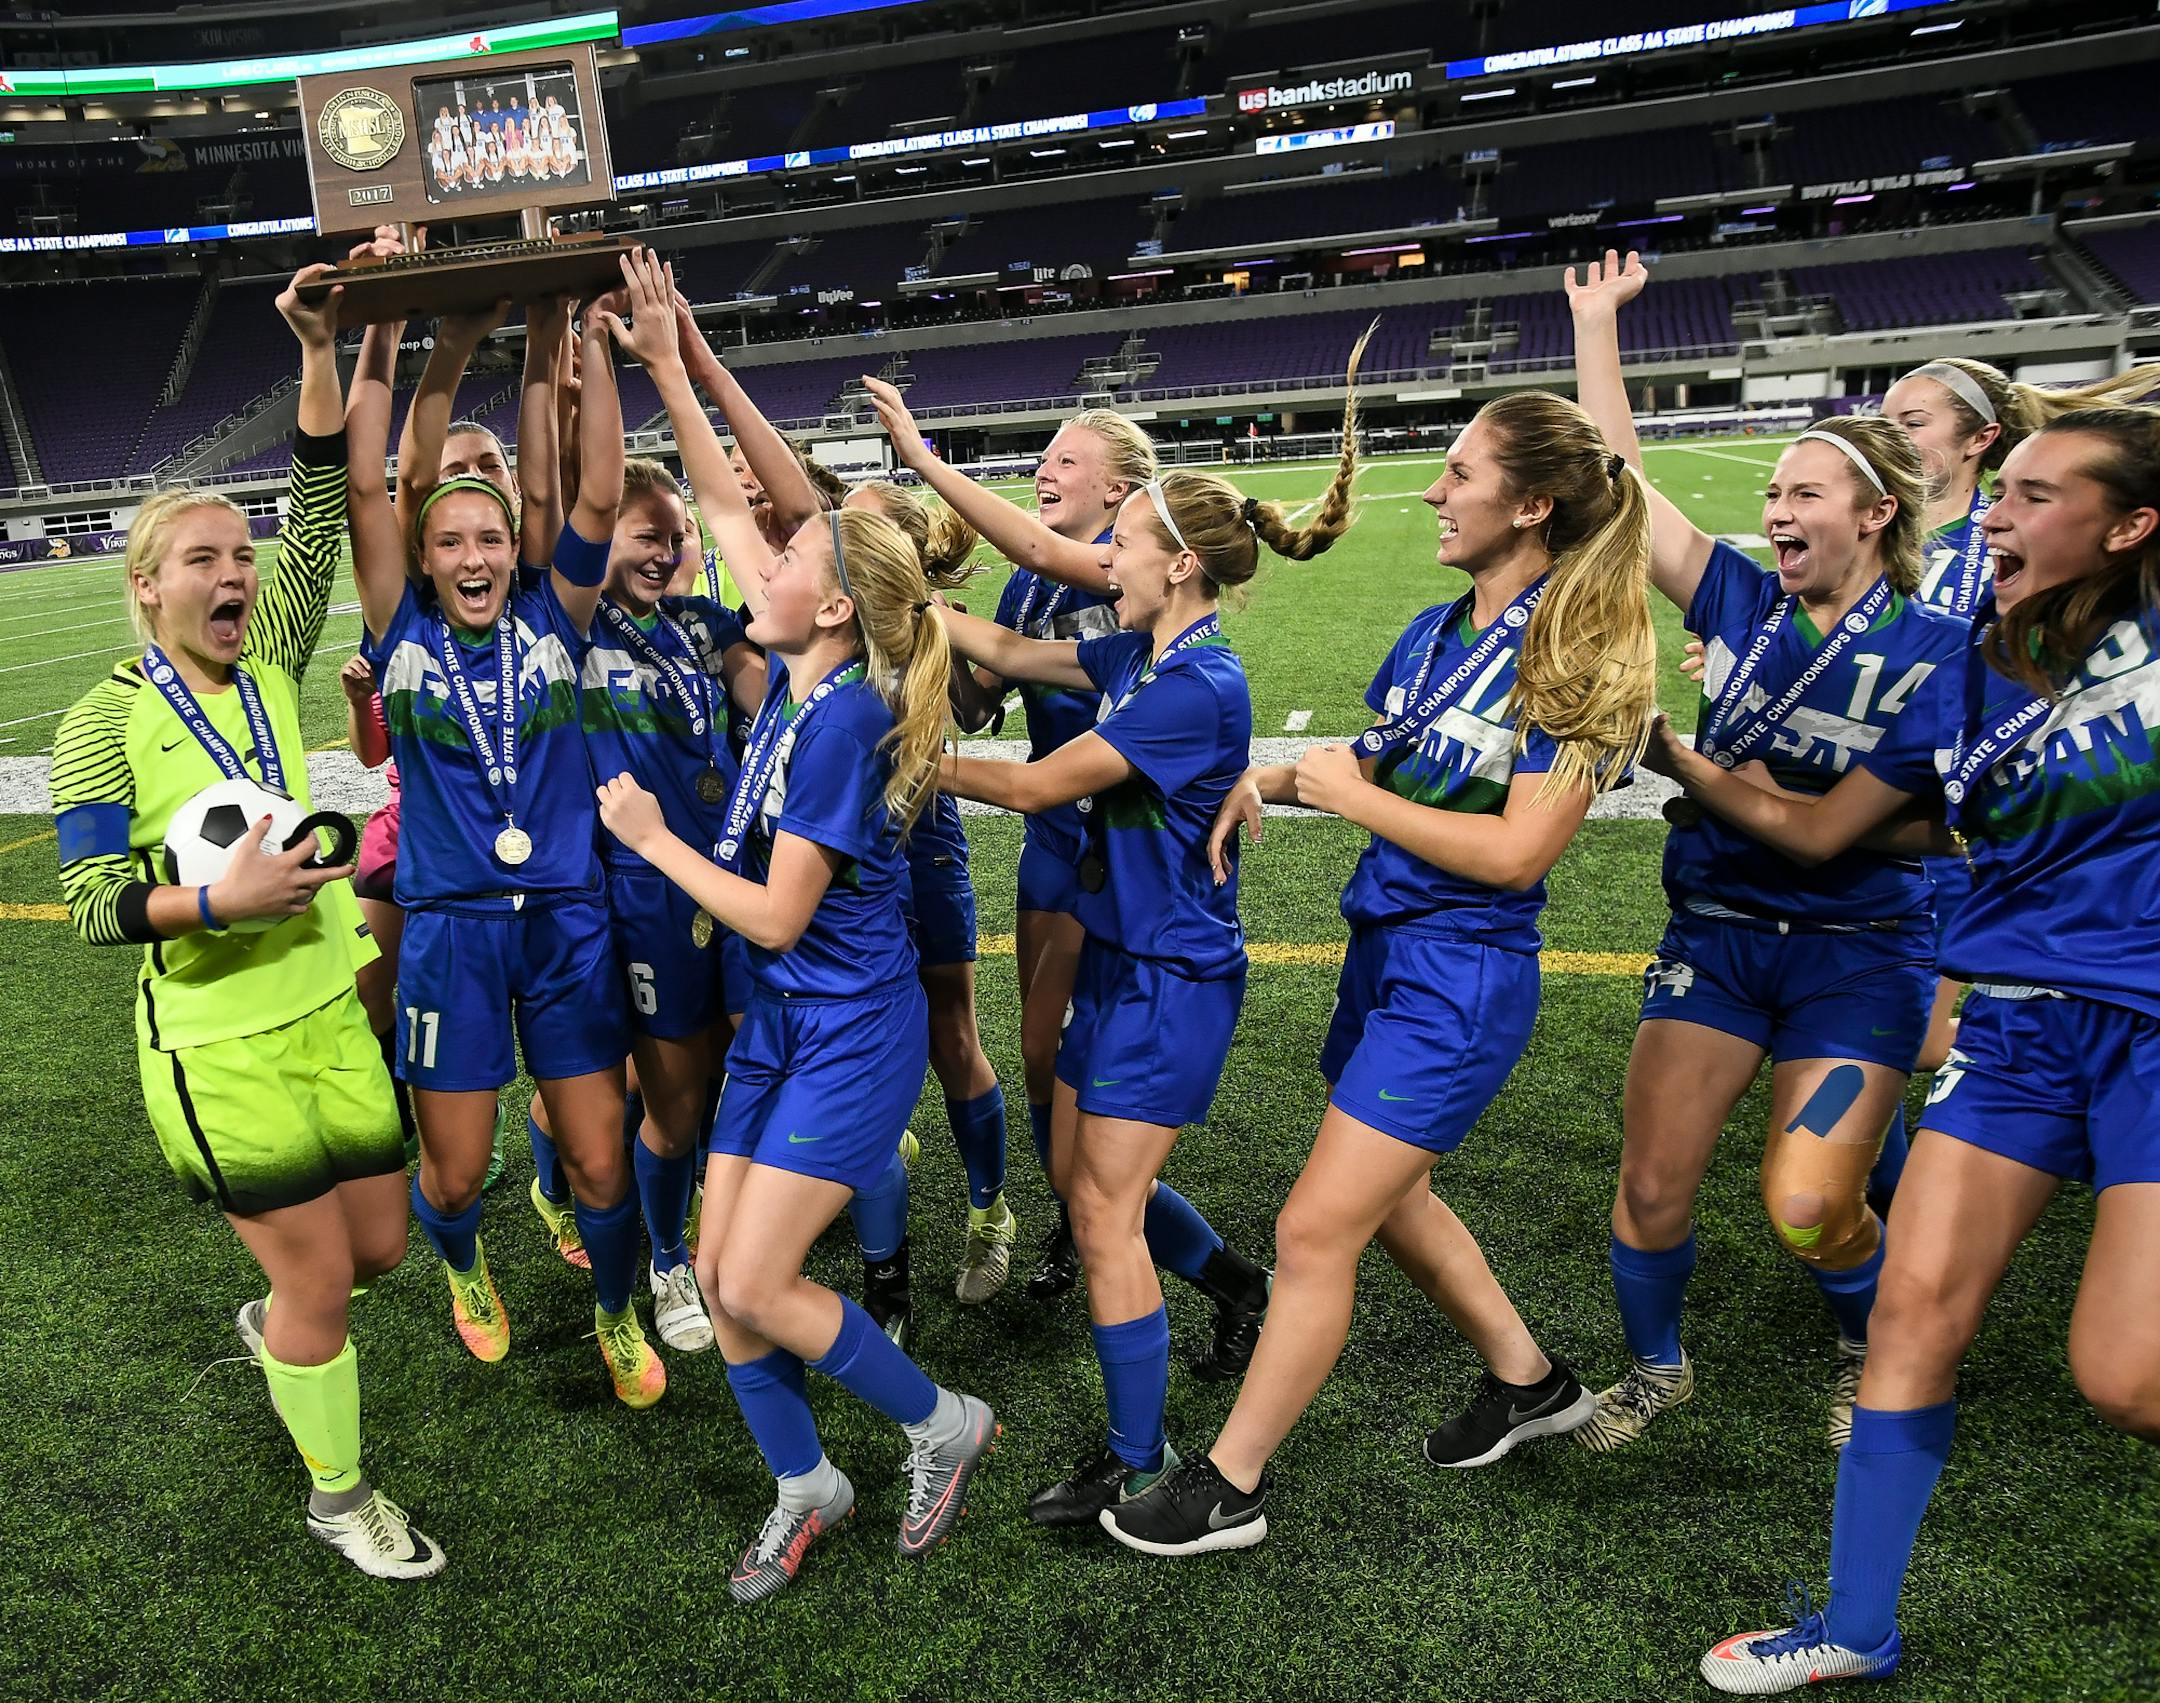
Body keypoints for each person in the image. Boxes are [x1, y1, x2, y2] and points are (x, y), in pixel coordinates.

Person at [1642, 408, 2160, 1692]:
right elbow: (1828, 830)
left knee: (2126, 1378)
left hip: (2153, 1024)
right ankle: (1856, 1625)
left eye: (2036, 496)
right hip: (2014, 1029)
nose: (1995, 513)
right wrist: (1681, 756)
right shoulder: (1970, 668)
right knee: (1911, 1321)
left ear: (2131, 526)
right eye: (2004, 492)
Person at [1105, 386, 1660, 1553]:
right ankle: (1531, 1381)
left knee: (1314, 1229)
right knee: (1388, 1193)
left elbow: (1517, 853)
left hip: (1460, 978)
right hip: (1385, 949)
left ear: (1534, 503)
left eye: (1459, 474)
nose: (1434, 491)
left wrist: (1351, 795)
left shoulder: (1582, 648)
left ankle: (1230, 1484)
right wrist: (1289, 776)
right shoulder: (1439, 627)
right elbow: (1379, 750)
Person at [877, 352, 1363, 1527]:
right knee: (1081, 1183)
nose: (1111, 562)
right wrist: (890, 583)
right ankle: (1218, 1305)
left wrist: (902, 761)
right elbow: (1015, 650)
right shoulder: (1137, 651)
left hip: (1170, 982)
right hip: (1119, 960)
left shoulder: (1197, 684)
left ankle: (1137, 1456)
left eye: (1128, 546)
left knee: (1101, 1208)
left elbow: (1044, 784)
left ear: (1175, 563)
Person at [594, 249, 997, 1601]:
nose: (745, 547)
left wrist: (652, 842)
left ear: (829, 602)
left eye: (780, 551)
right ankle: (803, 1480)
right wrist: (665, 362)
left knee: (757, 1284)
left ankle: (941, 1421)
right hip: (780, 1021)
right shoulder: (803, 669)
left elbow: (775, 906)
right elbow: (724, 490)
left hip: (846, 1032)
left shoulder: (838, 717)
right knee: (717, 1266)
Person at [49, 264, 441, 1577]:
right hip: (220, 1056)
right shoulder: (102, 721)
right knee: (325, 1285)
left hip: (329, 1016)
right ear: (147, 587)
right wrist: (218, 898)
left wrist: (320, 349)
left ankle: (283, 1311)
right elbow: (95, 905)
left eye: (240, 551)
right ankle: (342, 1498)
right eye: (202, 558)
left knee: (383, 1243)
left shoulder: (269, 656)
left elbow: (323, 499)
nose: (236, 570)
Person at [1567, 253, 1966, 1454]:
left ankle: (1870, 1343)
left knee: (1808, 1204)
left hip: (1862, 950)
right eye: (1776, 493)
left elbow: (1836, 827)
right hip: (1721, 937)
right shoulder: (1741, 599)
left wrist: (1678, 761)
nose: (1777, 512)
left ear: (1876, 515)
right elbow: (1626, 486)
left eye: (1805, 496)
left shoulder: (1945, 648)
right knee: (1648, 1188)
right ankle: (1656, 1367)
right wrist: (1597, 329)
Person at [348, 271, 666, 1407]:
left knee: (596, 1159)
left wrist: (561, 332)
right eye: (453, 541)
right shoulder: (399, 633)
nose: (476, 554)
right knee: (458, 1167)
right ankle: (467, 1267)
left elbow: (582, 489)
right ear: (423, 559)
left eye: (491, 535)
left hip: (568, 926)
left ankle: (616, 1312)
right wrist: (393, 329)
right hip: (450, 934)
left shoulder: (554, 612)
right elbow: (368, 482)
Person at [578, 452, 766, 1352]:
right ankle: (665, 1256)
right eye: (646, 533)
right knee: (674, 1100)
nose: (667, 550)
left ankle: (732, 1224)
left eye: (676, 533)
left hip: (732, 872)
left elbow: (755, 683)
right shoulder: (572, 627)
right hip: (646, 890)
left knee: (745, 1067)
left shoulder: (702, 621)